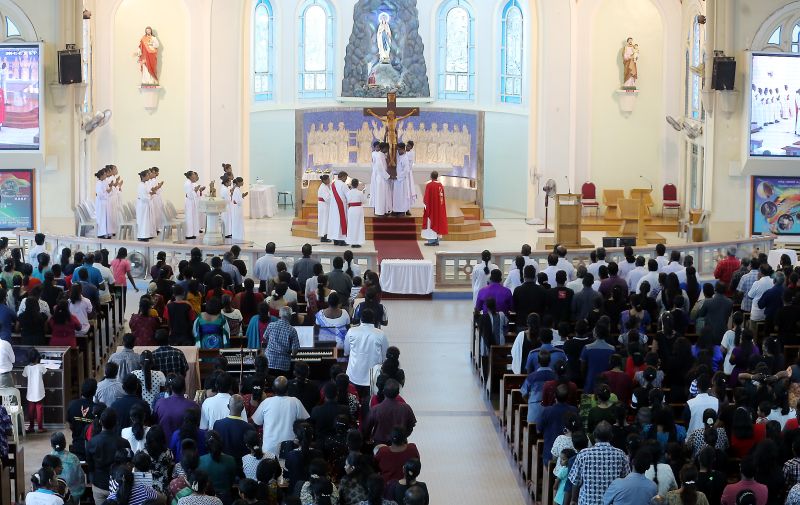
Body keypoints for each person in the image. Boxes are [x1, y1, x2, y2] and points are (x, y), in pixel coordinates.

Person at [568, 421, 629, 505]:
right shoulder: (621, 454)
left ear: (594, 435)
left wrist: (573, 500)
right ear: (611, 436)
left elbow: (575, 481)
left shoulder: (583, 454)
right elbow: (626, 481)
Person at [251, 376, 310, 457]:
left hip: (268, 450)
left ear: (273, 389)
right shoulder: (295, 401)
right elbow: (304, 425)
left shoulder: (266, 402)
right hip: (290, 450)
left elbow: (256, 423)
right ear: (288, 388)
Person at [86, 409, 131, 505]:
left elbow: (90, 466)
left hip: (99, 484)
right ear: (116, 423)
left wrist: (93, 479)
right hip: (118, 486)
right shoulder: (124, 442)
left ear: (100, 422)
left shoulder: (92, 442)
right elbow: (128, 465)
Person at [344, 308, 389, 396]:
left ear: (361, 319)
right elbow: (385, 356)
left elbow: (346, 351)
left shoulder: (351, 332)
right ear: (373, 320)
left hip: (353, 375)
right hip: (373, 378)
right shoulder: (381, 334)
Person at [365, 379, 416, 445]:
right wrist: (403, 436)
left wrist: (368, 438)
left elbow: (367, 428)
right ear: (398, 393)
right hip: (400, 444)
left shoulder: (376, 409)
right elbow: (411, 426)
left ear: (384, 391)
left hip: (380, 444)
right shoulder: (406, 408)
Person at [198, 432, 237, 505]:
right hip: (226, 497)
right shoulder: (231, 459)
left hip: (207, 498)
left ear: (206, 445)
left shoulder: (200, 460)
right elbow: (232, 480)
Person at [212, 394, 254, 460]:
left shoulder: (217, 424)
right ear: (243, 408)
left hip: (222, 464)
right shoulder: (249, 427)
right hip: (241, 466)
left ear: (228, 407)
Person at [265, 306, 300, 376]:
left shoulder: (271, 325)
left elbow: (265, 337)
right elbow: (294, 352)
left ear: (279, 315)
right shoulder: (292, 330)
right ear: (290, 316)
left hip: (269, 362)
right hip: (283, 365)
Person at [23, 348, 47, 433]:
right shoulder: (40, 367)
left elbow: (24, 375)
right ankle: (40, 428)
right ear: (37, 358)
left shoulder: (26, 368)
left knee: (31, 410)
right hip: (39, 393)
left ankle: (31, 427)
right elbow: (45, 371)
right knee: (39, 409)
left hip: (30, 393)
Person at [421, 171, 447, 246]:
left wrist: (425, 206)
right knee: (437, 222)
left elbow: (426, 198)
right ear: (437, 177)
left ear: (431, 176)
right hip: (438, 209)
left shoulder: (429, 185)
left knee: (431, 223)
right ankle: (437, 240)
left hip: (431, 209)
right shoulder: (440, 185)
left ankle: (432, 241)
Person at [328, 171, 350, 246]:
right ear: (343, 177)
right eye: (346, 178)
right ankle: (341, 240)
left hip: (333, 206)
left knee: (334, 222)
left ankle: (335, 240)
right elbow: (349, 195)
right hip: (341, 206)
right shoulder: (343, 185)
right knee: (341, 222)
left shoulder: (333, 184)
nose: (346, 179)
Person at [346, 178, 366, 247]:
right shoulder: (360, 192)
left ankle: (352, 242)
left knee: (351, 226)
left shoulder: (348, 192)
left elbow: (347, 201)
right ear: (357, 184)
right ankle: (357, 242)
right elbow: (364, 201)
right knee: (358, 226)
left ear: (351, 184)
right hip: (358, 210)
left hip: (351, 210)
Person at [230, 177, 248, 241]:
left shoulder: (237, 190)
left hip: (237, 209)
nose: (243, 183)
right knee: (238, 223)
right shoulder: (237, 190)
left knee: (237, 223)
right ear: (238, 183)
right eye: (242, 181)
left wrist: (242, 196)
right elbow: (237, 201)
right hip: (237, 210)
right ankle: (238, 237)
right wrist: (242, 197)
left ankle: (238, 236)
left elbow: (236, 200)